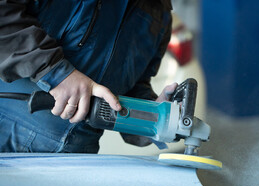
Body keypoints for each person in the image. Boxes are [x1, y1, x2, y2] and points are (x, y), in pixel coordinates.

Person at [0, 0, 175, 153]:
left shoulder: (160, 15)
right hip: (7, 131)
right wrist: (58, 73)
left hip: (77, 156)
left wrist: (155, 118)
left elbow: (131, 86)